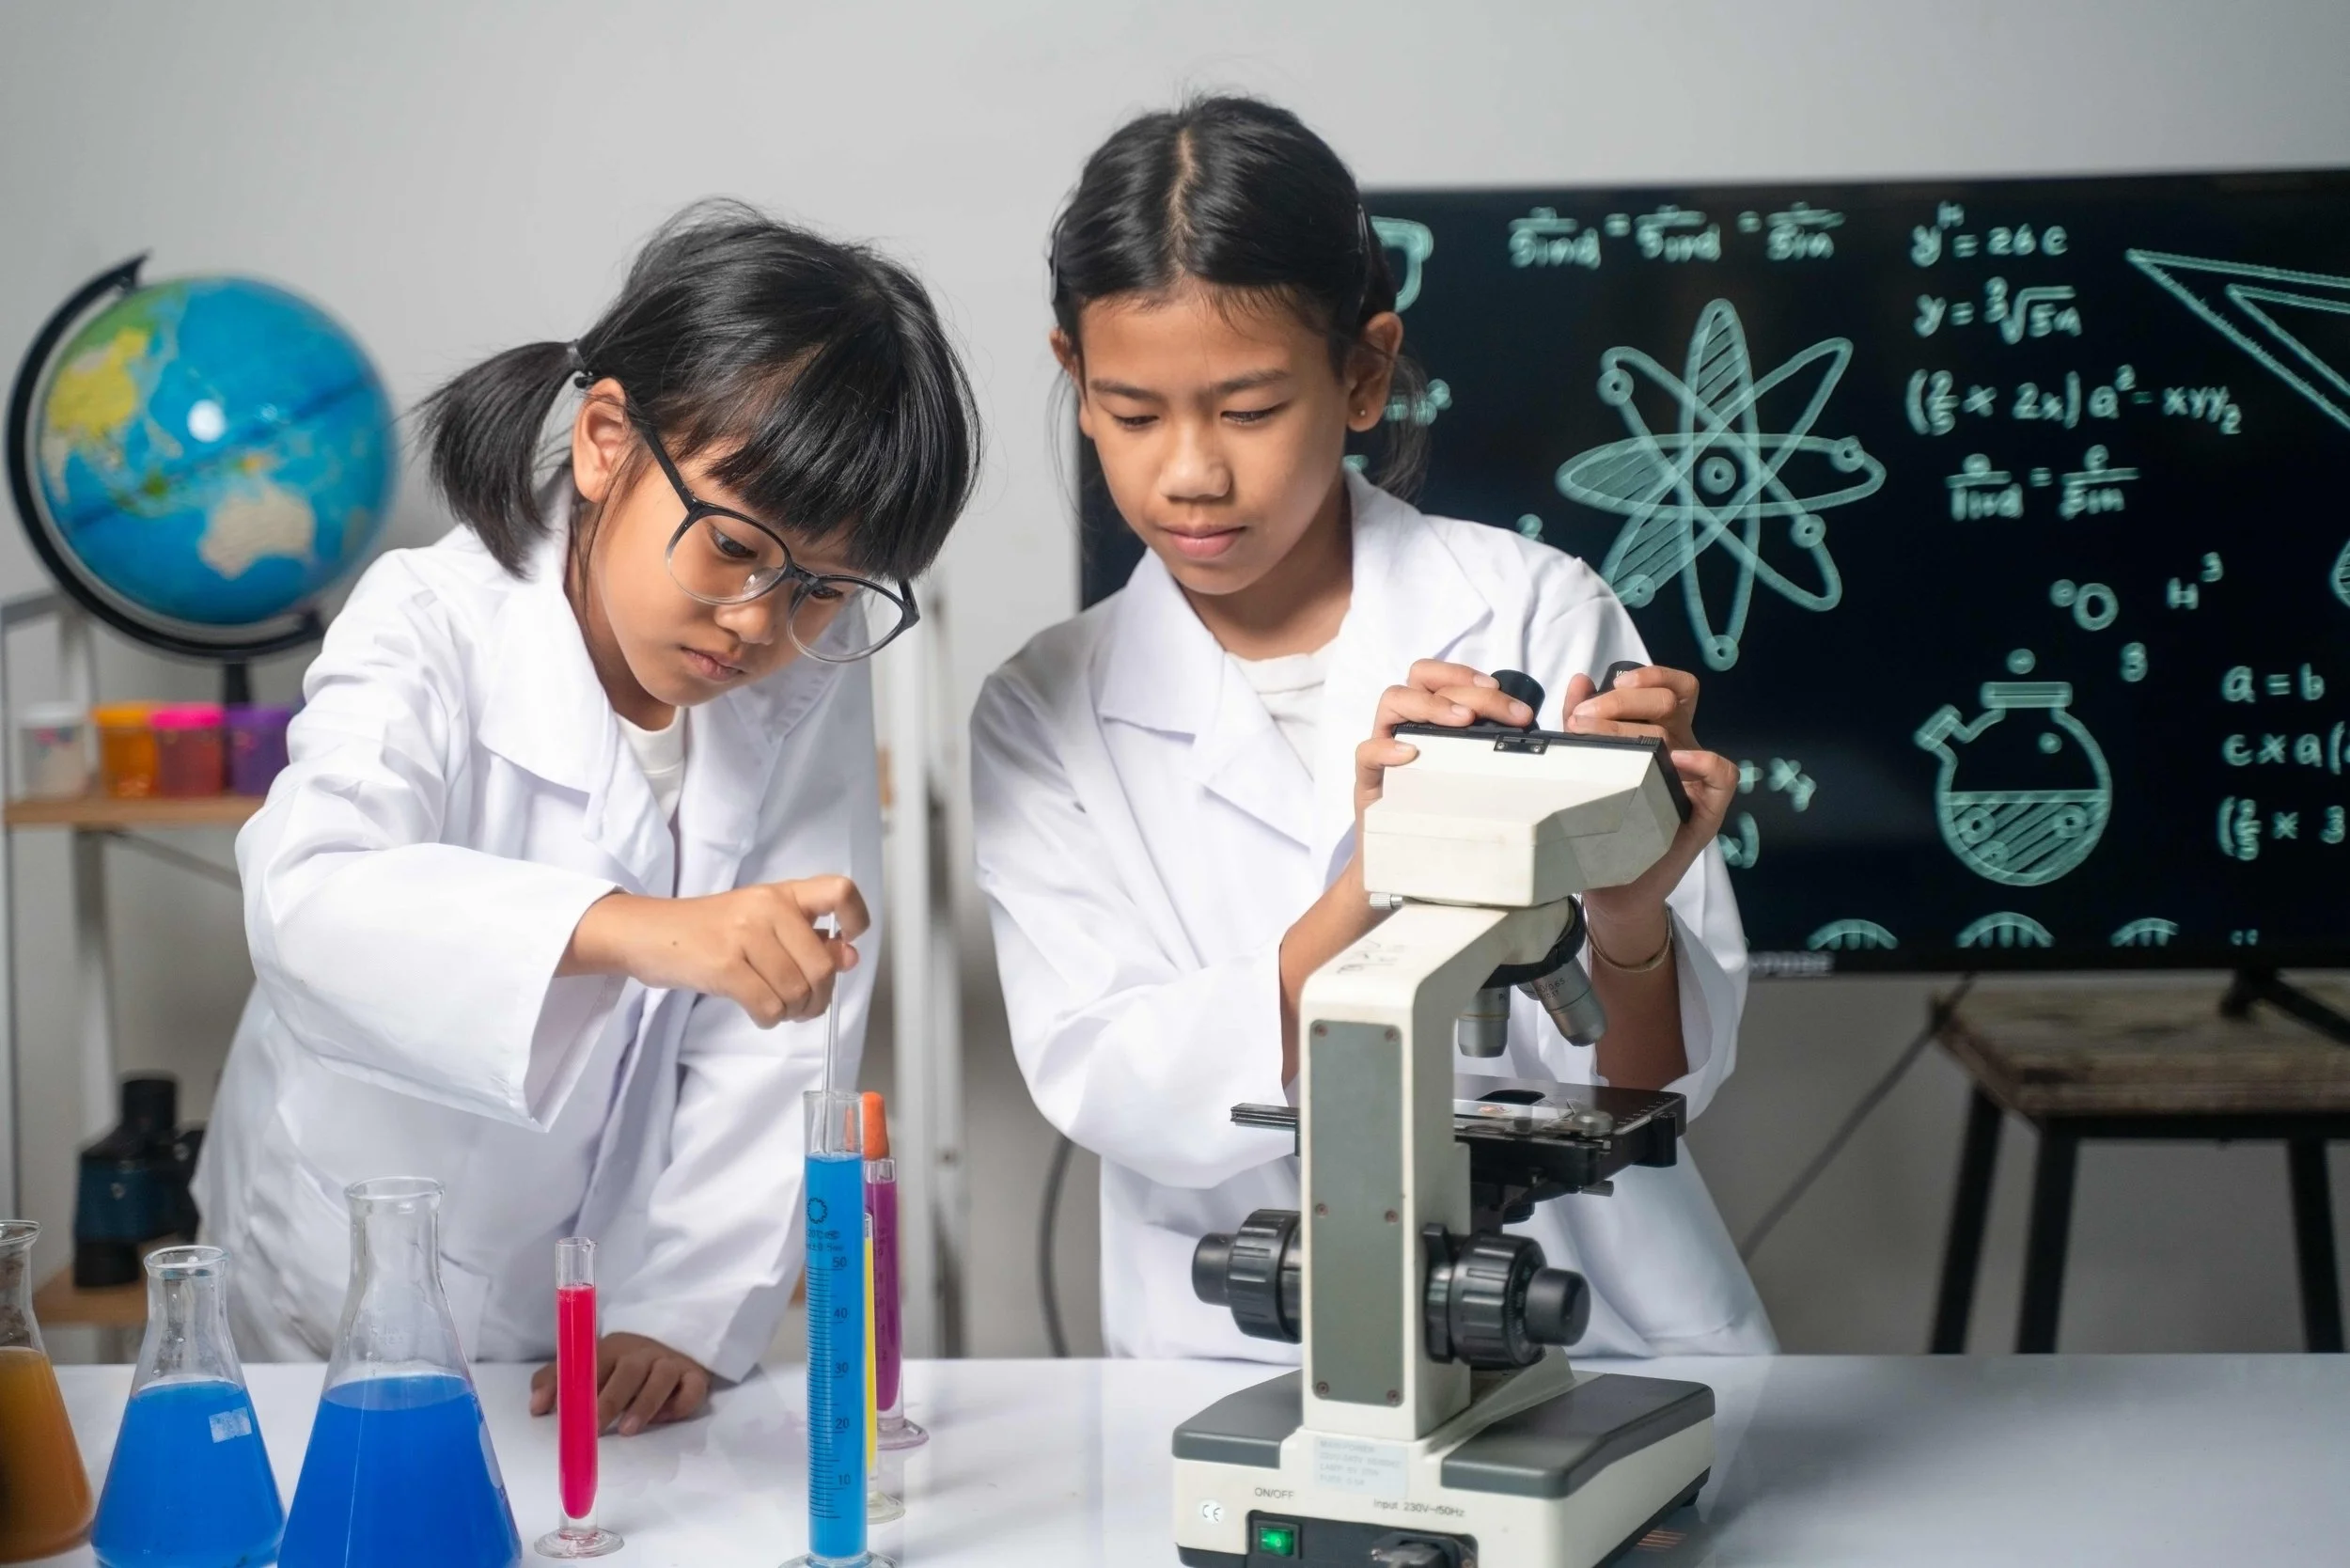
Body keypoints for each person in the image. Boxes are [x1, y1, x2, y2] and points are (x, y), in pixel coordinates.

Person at [972, 98, 1774, 1360]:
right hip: (1236, 1351)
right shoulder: (1042, 712)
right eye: (1135, 415)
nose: (1189, 474)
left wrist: (1626, 907)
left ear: (1361, 372)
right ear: (1075, 381)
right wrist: (1377, 876)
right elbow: (1109, 1081)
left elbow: (1664, 1085)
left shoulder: (1536, 612)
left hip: (1588, 1335)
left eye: (1246, 409)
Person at [196, 201, 979, 1432]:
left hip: (589, 1310)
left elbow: (787, 1009)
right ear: (608, 440)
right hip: (331, 1287)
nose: (761, 625)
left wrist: (688, 1304)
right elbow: (309, 897)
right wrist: (631, 930)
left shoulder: (800, 662)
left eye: (825, 589)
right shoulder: (430, 620)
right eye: (731, 548)